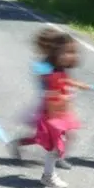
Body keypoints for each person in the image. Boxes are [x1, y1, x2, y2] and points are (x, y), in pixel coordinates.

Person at [9, 27, 73, 169]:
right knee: (43, 137)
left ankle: (60, 156)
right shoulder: (44, 65)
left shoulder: (57, 62)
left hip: (58, 105)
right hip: (47, 105)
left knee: (64, 132)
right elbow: (48, 85)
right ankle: (18, 143)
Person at [32, 34, 90, 188]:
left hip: (60, 115)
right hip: (54, 117)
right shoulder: (53, 75)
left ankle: (50, 172)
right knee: (56, 147)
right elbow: (51, 97)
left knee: (63, 143)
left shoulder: (60, 71)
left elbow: (64, 81)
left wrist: (76, 84)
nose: (69, 56)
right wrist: (64, 97)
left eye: (72, 52)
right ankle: (48, 175)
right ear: (55, 54)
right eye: (65, 52)